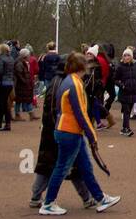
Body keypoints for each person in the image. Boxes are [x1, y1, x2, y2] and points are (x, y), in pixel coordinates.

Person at [39, 52, 120, 216]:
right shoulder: (74, 84)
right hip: (70, 131)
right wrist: (92, 135)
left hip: (68, 130)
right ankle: (48, 203)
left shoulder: (69, 81)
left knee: (85, 166)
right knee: (62, 168)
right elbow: (80, 113)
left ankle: (100, 198)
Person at [29, 62, 95, 209]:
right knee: (69, 166)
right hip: (62, 130)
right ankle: (86, 197)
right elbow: (57, 111)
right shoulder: (65, 84)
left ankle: (36, 196)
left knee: (50, 165)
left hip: (54, 130)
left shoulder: (57, 82)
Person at [113, 47, 136, 136]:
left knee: (129, 110)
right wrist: (122, 86)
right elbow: (115, 79)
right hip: (124, 92)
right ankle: (126, 128)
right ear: (122, 57)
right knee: (126, 110)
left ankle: (124, 128)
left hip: (133, 92)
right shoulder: (120, 67)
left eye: (128, 55)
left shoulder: (135, 66)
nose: (126, 57)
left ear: (131, 57)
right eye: (125, 55)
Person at [0, 43, 15, 131]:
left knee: (2, 104)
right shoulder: (11, 58)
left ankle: (6, 124)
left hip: (1, 83)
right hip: (9, 83)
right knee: (3, 103)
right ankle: (0, 122)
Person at [14, 47, 37, 122]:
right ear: (25, 56)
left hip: (22, 84)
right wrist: (25, 81)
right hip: (21, 85)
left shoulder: (21, 62)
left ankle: (30, 114)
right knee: (19, 100)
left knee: (24, 99)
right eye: (28, 55)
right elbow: (19, 74)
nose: (29, 57)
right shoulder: (19, 63)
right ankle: (18, 114)